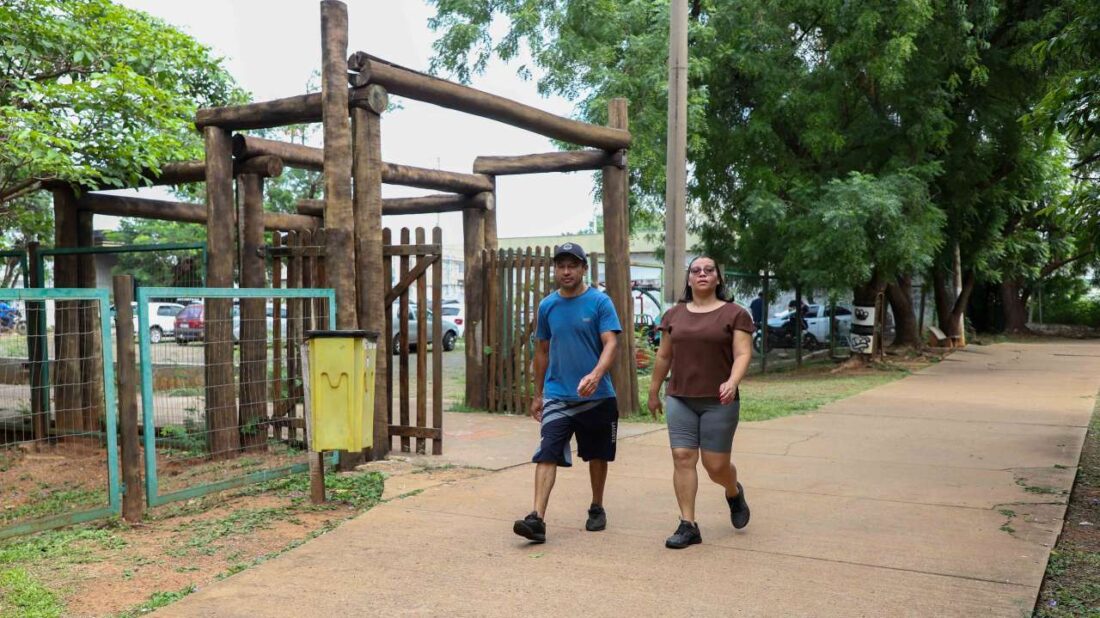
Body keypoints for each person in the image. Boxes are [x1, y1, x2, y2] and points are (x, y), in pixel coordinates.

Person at [513, 242, 622, 544]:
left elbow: (611, 343)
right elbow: (542, 350)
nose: (566, 271)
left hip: (597, 396)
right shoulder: (548, 306)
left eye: (572, 265)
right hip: (558, 394)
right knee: (547, 452)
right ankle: (536, 518)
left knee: (597, 455)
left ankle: (596, 505)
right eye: (561, 266)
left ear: (583, 268)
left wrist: (596, 375)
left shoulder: (600, 303)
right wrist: (538, 394)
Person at [647, 256, 754, 549]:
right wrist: (654, 391)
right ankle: (688, 524)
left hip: (719, 400)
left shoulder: (736, 314)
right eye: (696, 271)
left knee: (715, 466)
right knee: (682, 457)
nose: (703, 274)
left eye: (709, 270)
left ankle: (732, 491)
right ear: (689, 279)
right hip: (680, 397)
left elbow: (743, 353)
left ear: (718, 279)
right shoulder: (674, 315)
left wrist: (732, 382)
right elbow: (664, 356)